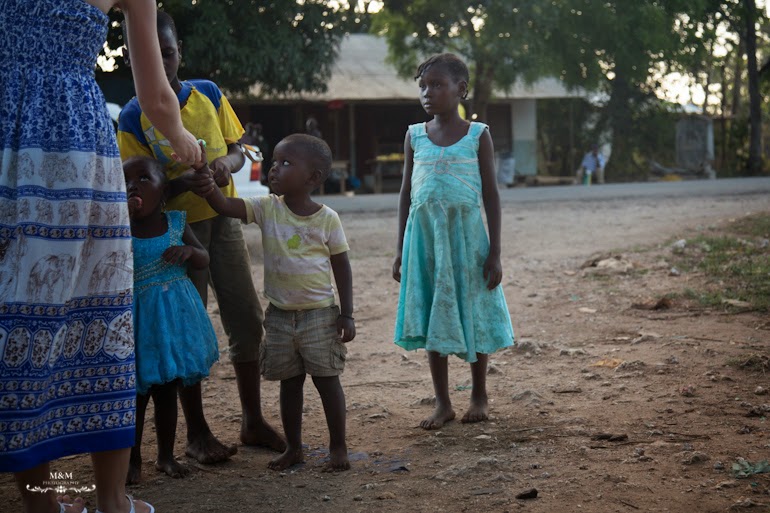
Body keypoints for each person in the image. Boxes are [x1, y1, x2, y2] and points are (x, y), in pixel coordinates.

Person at [0, 0, 201, 512]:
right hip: (71, 143)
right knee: (101, 310)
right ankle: (112, 502)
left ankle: (42, 505)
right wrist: (184, 140)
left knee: (19, 316)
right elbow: (156, 97)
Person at [117, 11, 285, 465]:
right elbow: (134, 187)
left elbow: (237, 150)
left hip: (222, 219)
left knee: (246, 317)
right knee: (182, 331)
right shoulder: (132, 116)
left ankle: (252, 419)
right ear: (132, 57)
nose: (160, 62)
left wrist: (223, 167)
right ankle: (197, 432)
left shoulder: (207, 93)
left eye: (167, 53)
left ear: (180, 52)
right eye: (148, 54)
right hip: (170, 236)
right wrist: (176, 184)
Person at [190, 134, 356, 472]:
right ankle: (294, 448)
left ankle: (338, 448)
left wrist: (347, 314)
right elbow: (225, 206)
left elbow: (342, 266)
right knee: (289, 384)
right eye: (274, 162)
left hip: (319, 316)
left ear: (313, 177)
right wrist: (207, 184)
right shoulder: (268, 208)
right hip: (279, 317)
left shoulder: (327, 219)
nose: (274, 169)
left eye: (286, 163)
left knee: (327, 382)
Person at [392, 53, 514, 431]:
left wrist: (495, 252)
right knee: (433, 310)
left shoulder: (478, 135)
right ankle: (442, 402)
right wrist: (400, 251)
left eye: (437, 85)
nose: (427, 93)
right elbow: (405, 194)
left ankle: (479, 394)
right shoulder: (415, 135)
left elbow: (491, 195)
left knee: (473, 309)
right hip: (425, 240)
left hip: (467, 240)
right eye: (422, 87)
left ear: (461, 89)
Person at [123, 157, 219, 484]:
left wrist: (189, 253)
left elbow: (204, 258)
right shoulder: (120, 230)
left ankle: (166, 456)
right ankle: (132, 460)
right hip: (140, 325)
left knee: (167, 393)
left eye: (143, 179)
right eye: (125, 181)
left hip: (173, 324)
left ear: (163, 191)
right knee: (136, 396)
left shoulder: (176, 223)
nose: (133, 186)